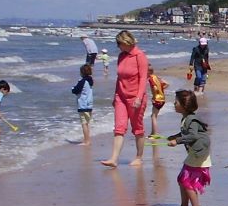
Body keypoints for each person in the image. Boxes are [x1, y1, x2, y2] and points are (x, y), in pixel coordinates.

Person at [101, 30, 149, 168]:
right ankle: (114, 159)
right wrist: (115, 96)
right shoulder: (121, 56)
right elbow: (119, 78)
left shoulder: (140, 56)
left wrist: (139, 97)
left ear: (126, 42)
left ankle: (139, 157)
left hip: (135, 98)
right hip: (120, 97)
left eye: (119, 43)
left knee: (137, 129)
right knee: (119, 128)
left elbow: (143, 79)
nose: (118, 46)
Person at [166, 90, 211, 206]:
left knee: (186, 180)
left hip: (199, 154)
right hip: (195, 153)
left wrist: (178, 141)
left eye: (176, 102)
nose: (174, 104)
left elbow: (193, 136)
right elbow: (186, 134)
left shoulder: (191, 119)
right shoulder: (186, 118)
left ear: (184, 105)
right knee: (181, 179)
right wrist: (174, 137)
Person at [72, 63, 94, 145]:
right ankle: (87, 140)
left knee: (84, 123)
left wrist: (73, 88)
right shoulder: (90, 81)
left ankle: (87, 141)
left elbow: (75, 90)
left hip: (83, 105)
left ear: (82, 73)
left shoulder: (82, 81)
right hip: (89, 104)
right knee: (87, 123)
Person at [148, 69, 170, 135]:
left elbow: (155, 88)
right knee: (154, 115)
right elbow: (167, 84)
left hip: (157, 100)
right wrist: (161, 89)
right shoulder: (156, 78)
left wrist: (154, 97)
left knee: (153, 116)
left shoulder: (151, 78)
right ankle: (153, 132)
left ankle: (155, 133)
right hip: (162, 99)